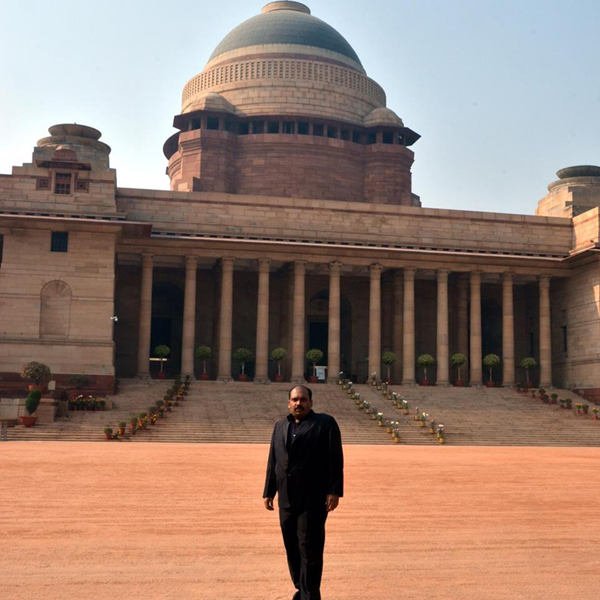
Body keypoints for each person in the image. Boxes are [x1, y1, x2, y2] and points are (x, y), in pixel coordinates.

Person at [263, 385, 344, 600]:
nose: (299, 403)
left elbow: (335, 458)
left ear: (311, 402)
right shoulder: (280, 425)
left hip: (313, 499)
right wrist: (269, 490)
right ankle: (302, 589)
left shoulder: (324, 424)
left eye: (303, 399)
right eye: (295, 399)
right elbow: (274, 460)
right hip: (286, 498)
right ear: (288, 403)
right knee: (292, 548)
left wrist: (334, 490)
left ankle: (310, 595)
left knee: (309, 549)